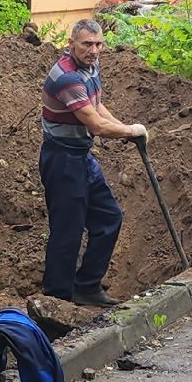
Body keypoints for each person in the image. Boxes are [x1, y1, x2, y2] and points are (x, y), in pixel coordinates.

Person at [39, 18, 146, 308]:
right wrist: (131, 130)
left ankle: (86, 286)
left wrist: (124, 127)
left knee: (109, 217)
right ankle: (56, 300)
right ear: (71, 44)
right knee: (67, 231)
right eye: (87, 44)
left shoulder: (89, 67)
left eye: (98, 44)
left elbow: (96, 107)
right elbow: (96, 125)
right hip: (61, 159)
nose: (94, 50)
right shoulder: (67, 77)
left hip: (81, 156)